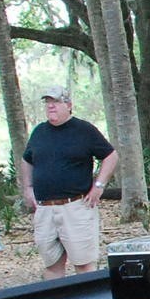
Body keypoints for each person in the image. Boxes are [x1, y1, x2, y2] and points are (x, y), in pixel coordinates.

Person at [19, 85, 116, 277]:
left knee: (84, 265)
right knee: (51, 265)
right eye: (48, 102)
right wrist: (28, 187)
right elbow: (26, 159)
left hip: (76, 207)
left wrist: (99, 186)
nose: (51, 106)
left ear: (69, 105)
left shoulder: (84, 130)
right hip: (45, 209)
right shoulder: (39, 132)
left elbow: (111, 156)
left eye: (56, 102)